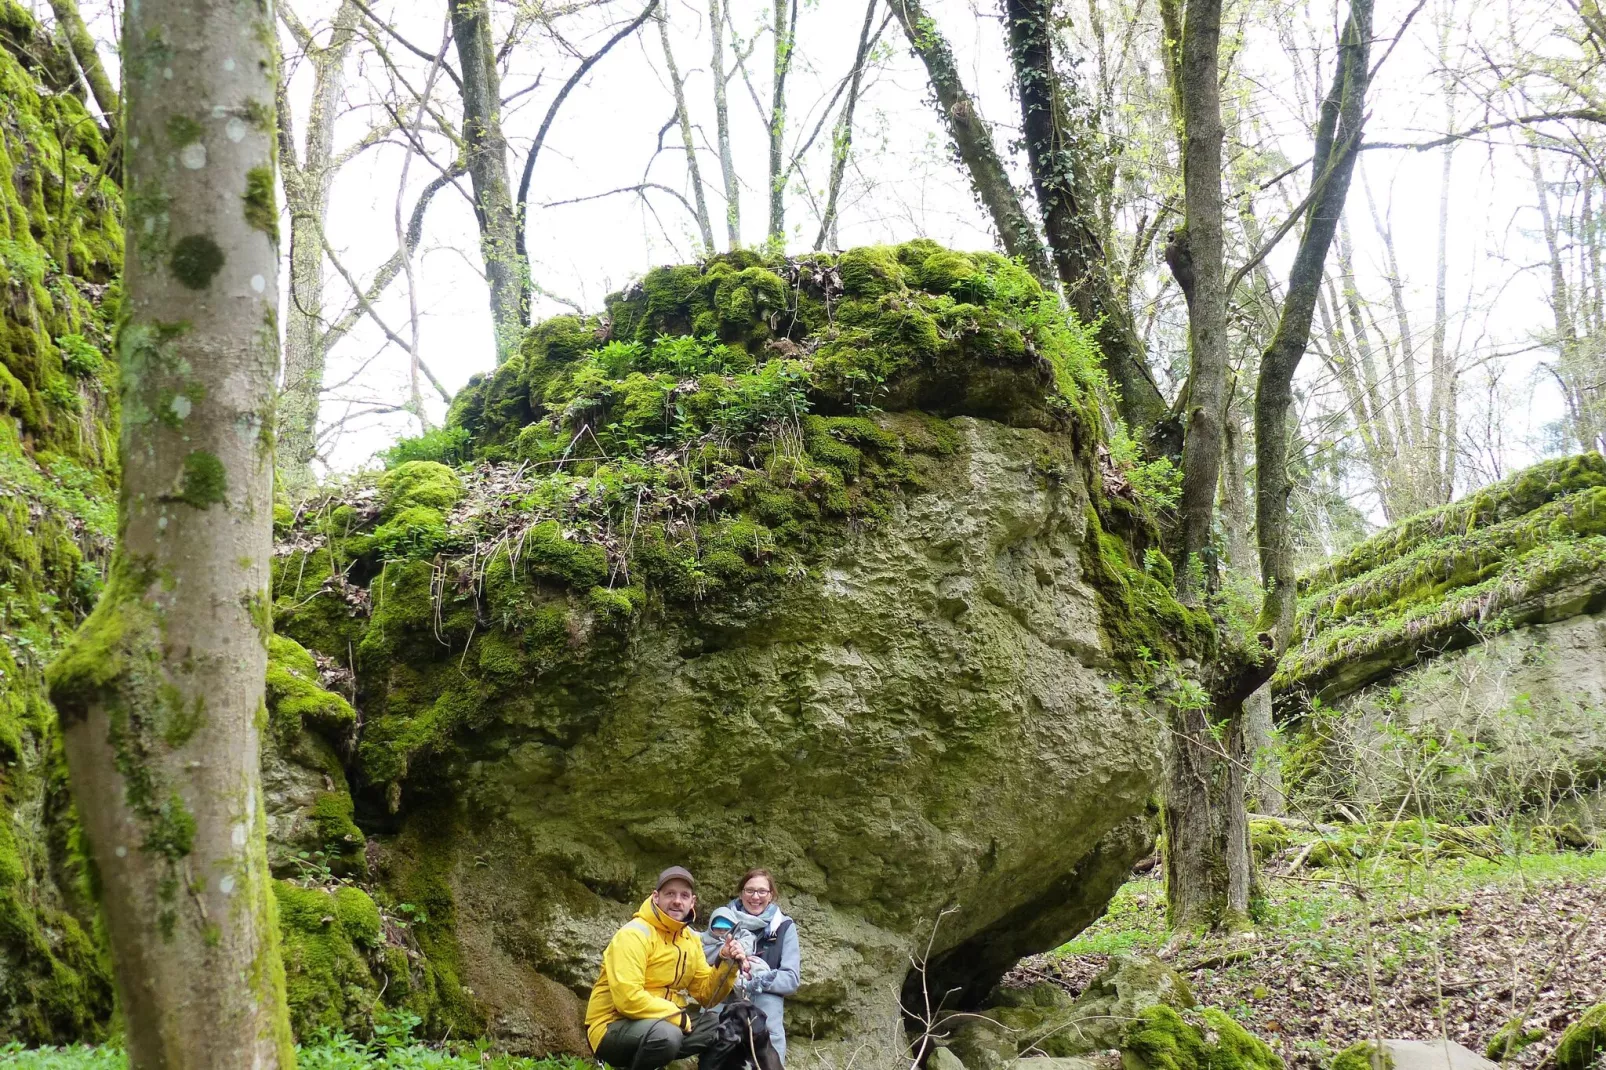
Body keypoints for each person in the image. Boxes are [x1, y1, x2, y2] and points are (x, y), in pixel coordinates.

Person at [587, 866, 747, 1070]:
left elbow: (707, 995)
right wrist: (677, 1016)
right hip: (611, 1026)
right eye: (670, 893)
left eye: (684, 895)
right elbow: (627, 999)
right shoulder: (634, 934)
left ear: (693, 902)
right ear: (655, 897)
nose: (677, 901)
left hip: (663, 1023)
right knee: (667, 1035)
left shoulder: (690, 939)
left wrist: (727, 962)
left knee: (723, 1025)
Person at [700, 868, 800, 1063]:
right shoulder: (722, 920)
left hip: (764, 1000)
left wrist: (756, 977)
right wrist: (728, 963)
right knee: (714, 1049)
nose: (756, 897)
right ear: (740, 893)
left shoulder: (784, 926)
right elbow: (703, 959)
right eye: (749, 890)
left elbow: (791, 979)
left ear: (771, 895)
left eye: (762, 891)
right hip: (726, 996)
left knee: (768, 1019)